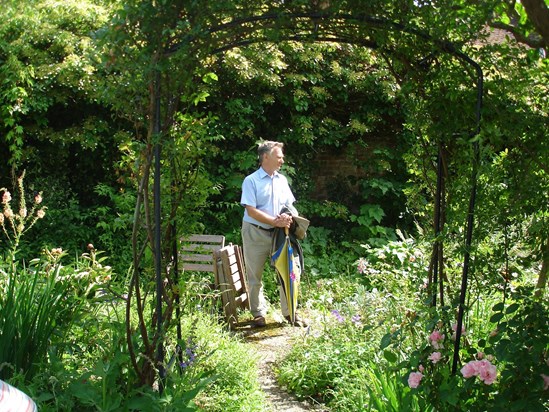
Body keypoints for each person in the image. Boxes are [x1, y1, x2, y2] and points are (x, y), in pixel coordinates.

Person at [240, 141, 307, 327]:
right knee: (255, 275)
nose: (282, 160)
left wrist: (289, 217)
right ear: (266, 157)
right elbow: (251, 210)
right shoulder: (250, 181)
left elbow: (289, 205)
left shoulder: (282, 180)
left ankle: (290, 313)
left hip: (280, 233)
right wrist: (274, 221)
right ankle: (258, 314)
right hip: (255, 233)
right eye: (279, 157)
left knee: (288, 271)